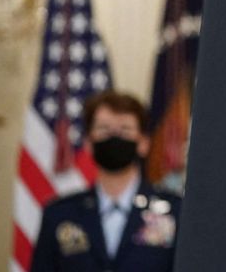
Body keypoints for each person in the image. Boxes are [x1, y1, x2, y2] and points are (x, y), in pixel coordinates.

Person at [30, 90, 181, 272]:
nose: (114, 137)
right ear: (88, 143)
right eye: (104, 129)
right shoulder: (60, 214)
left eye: (125, 130)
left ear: (143, 143)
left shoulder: (176, 212)